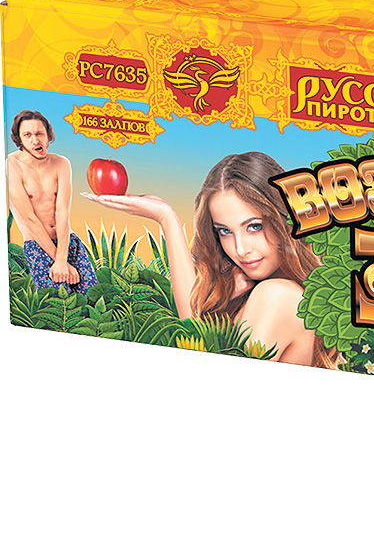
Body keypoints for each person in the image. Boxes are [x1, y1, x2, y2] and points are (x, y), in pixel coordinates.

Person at [84, 151, 336, 368]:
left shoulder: (276, 295)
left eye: (254, 227)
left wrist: (168, 219)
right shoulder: (275, 290)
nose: (240, 249)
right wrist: (166, 218)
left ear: (283, 219)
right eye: (225, 231)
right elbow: (195, 329)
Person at [7, 109, 98, 292]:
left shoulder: (61, 163)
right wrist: (60, 261)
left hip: (68, 243)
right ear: (19, 139)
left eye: (40, 133)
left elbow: (62, 212)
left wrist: (63, 258)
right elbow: (29, 218)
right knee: (58, 303)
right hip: (37, 246)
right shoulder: (11, 164)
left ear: (48, 135)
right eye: (27, 135)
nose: (35, 140)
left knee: (94, 300)